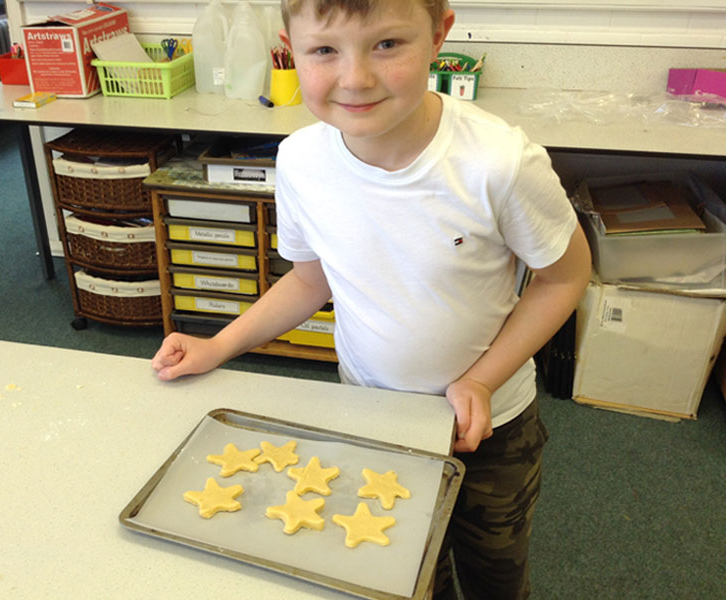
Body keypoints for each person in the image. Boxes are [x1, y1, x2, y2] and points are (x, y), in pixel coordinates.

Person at [152, 0, 592, 598]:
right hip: (371, 415)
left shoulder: (498, 162)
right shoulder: (301, 161)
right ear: (290, 48)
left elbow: (563, 278)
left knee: (495, 571)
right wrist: (219, 345)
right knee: (402, 571)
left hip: (491, 427)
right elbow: (311, 279)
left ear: (439, 35)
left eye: (388, 45)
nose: (355, 78)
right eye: (324, 50)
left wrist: (483, 380)